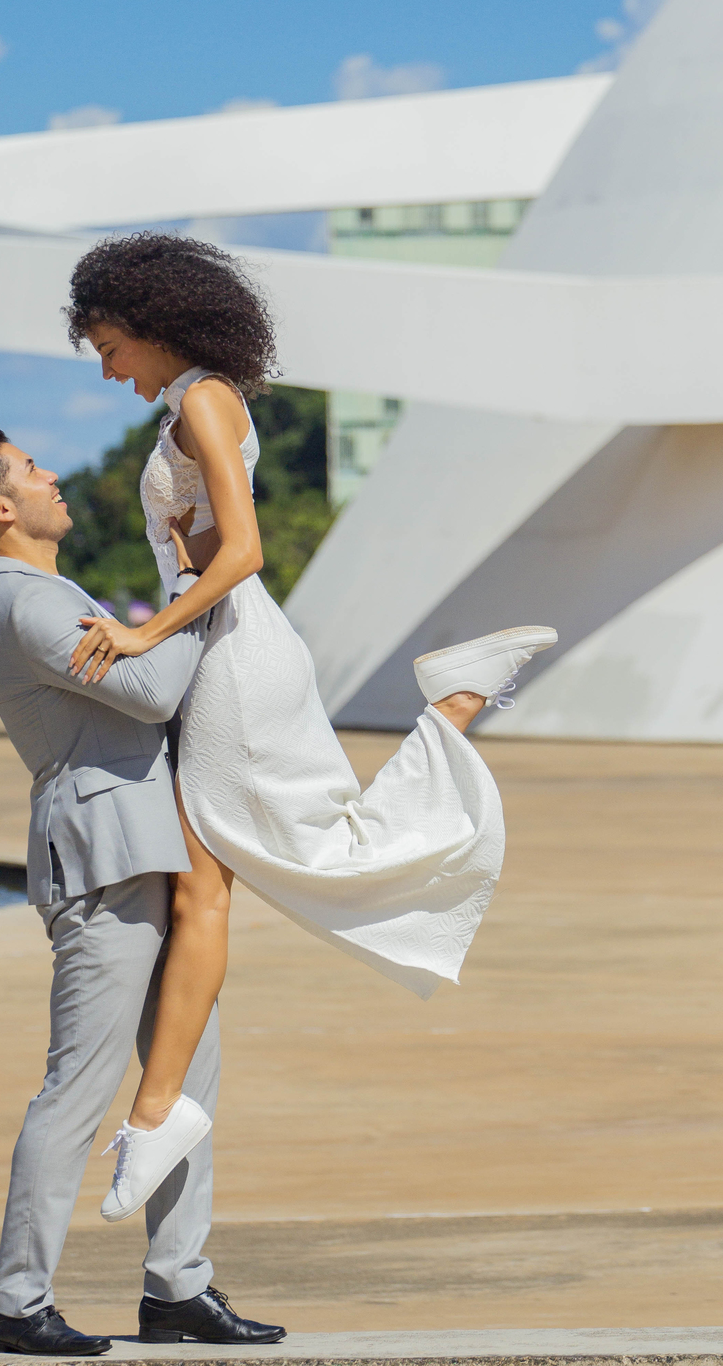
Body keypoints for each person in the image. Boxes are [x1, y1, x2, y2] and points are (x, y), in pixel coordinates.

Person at [62, 232, 557, 1223]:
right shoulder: (190, 404)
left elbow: (241, 552)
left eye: (110, 343)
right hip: (227, 648)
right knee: (218, 885)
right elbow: (205, 542)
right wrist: (171, 569)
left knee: (262, 874)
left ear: (150, 321)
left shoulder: (202, 397)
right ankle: (157, 1114)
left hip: (233, 655)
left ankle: (456, 702)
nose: (109, 366)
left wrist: (138, 633)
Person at [0, 422, 286, 1356]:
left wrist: (169, 601)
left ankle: (178, 1288)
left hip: (148, 848)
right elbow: (156, 689)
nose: (55, 478)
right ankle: (15, 1301)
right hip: (102, 858)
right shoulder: (27, 605)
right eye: (35, 471)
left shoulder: (50, 591)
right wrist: (192, 579)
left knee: (185, 1076)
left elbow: (144, 671)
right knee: (77, 1091)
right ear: (1, 508)